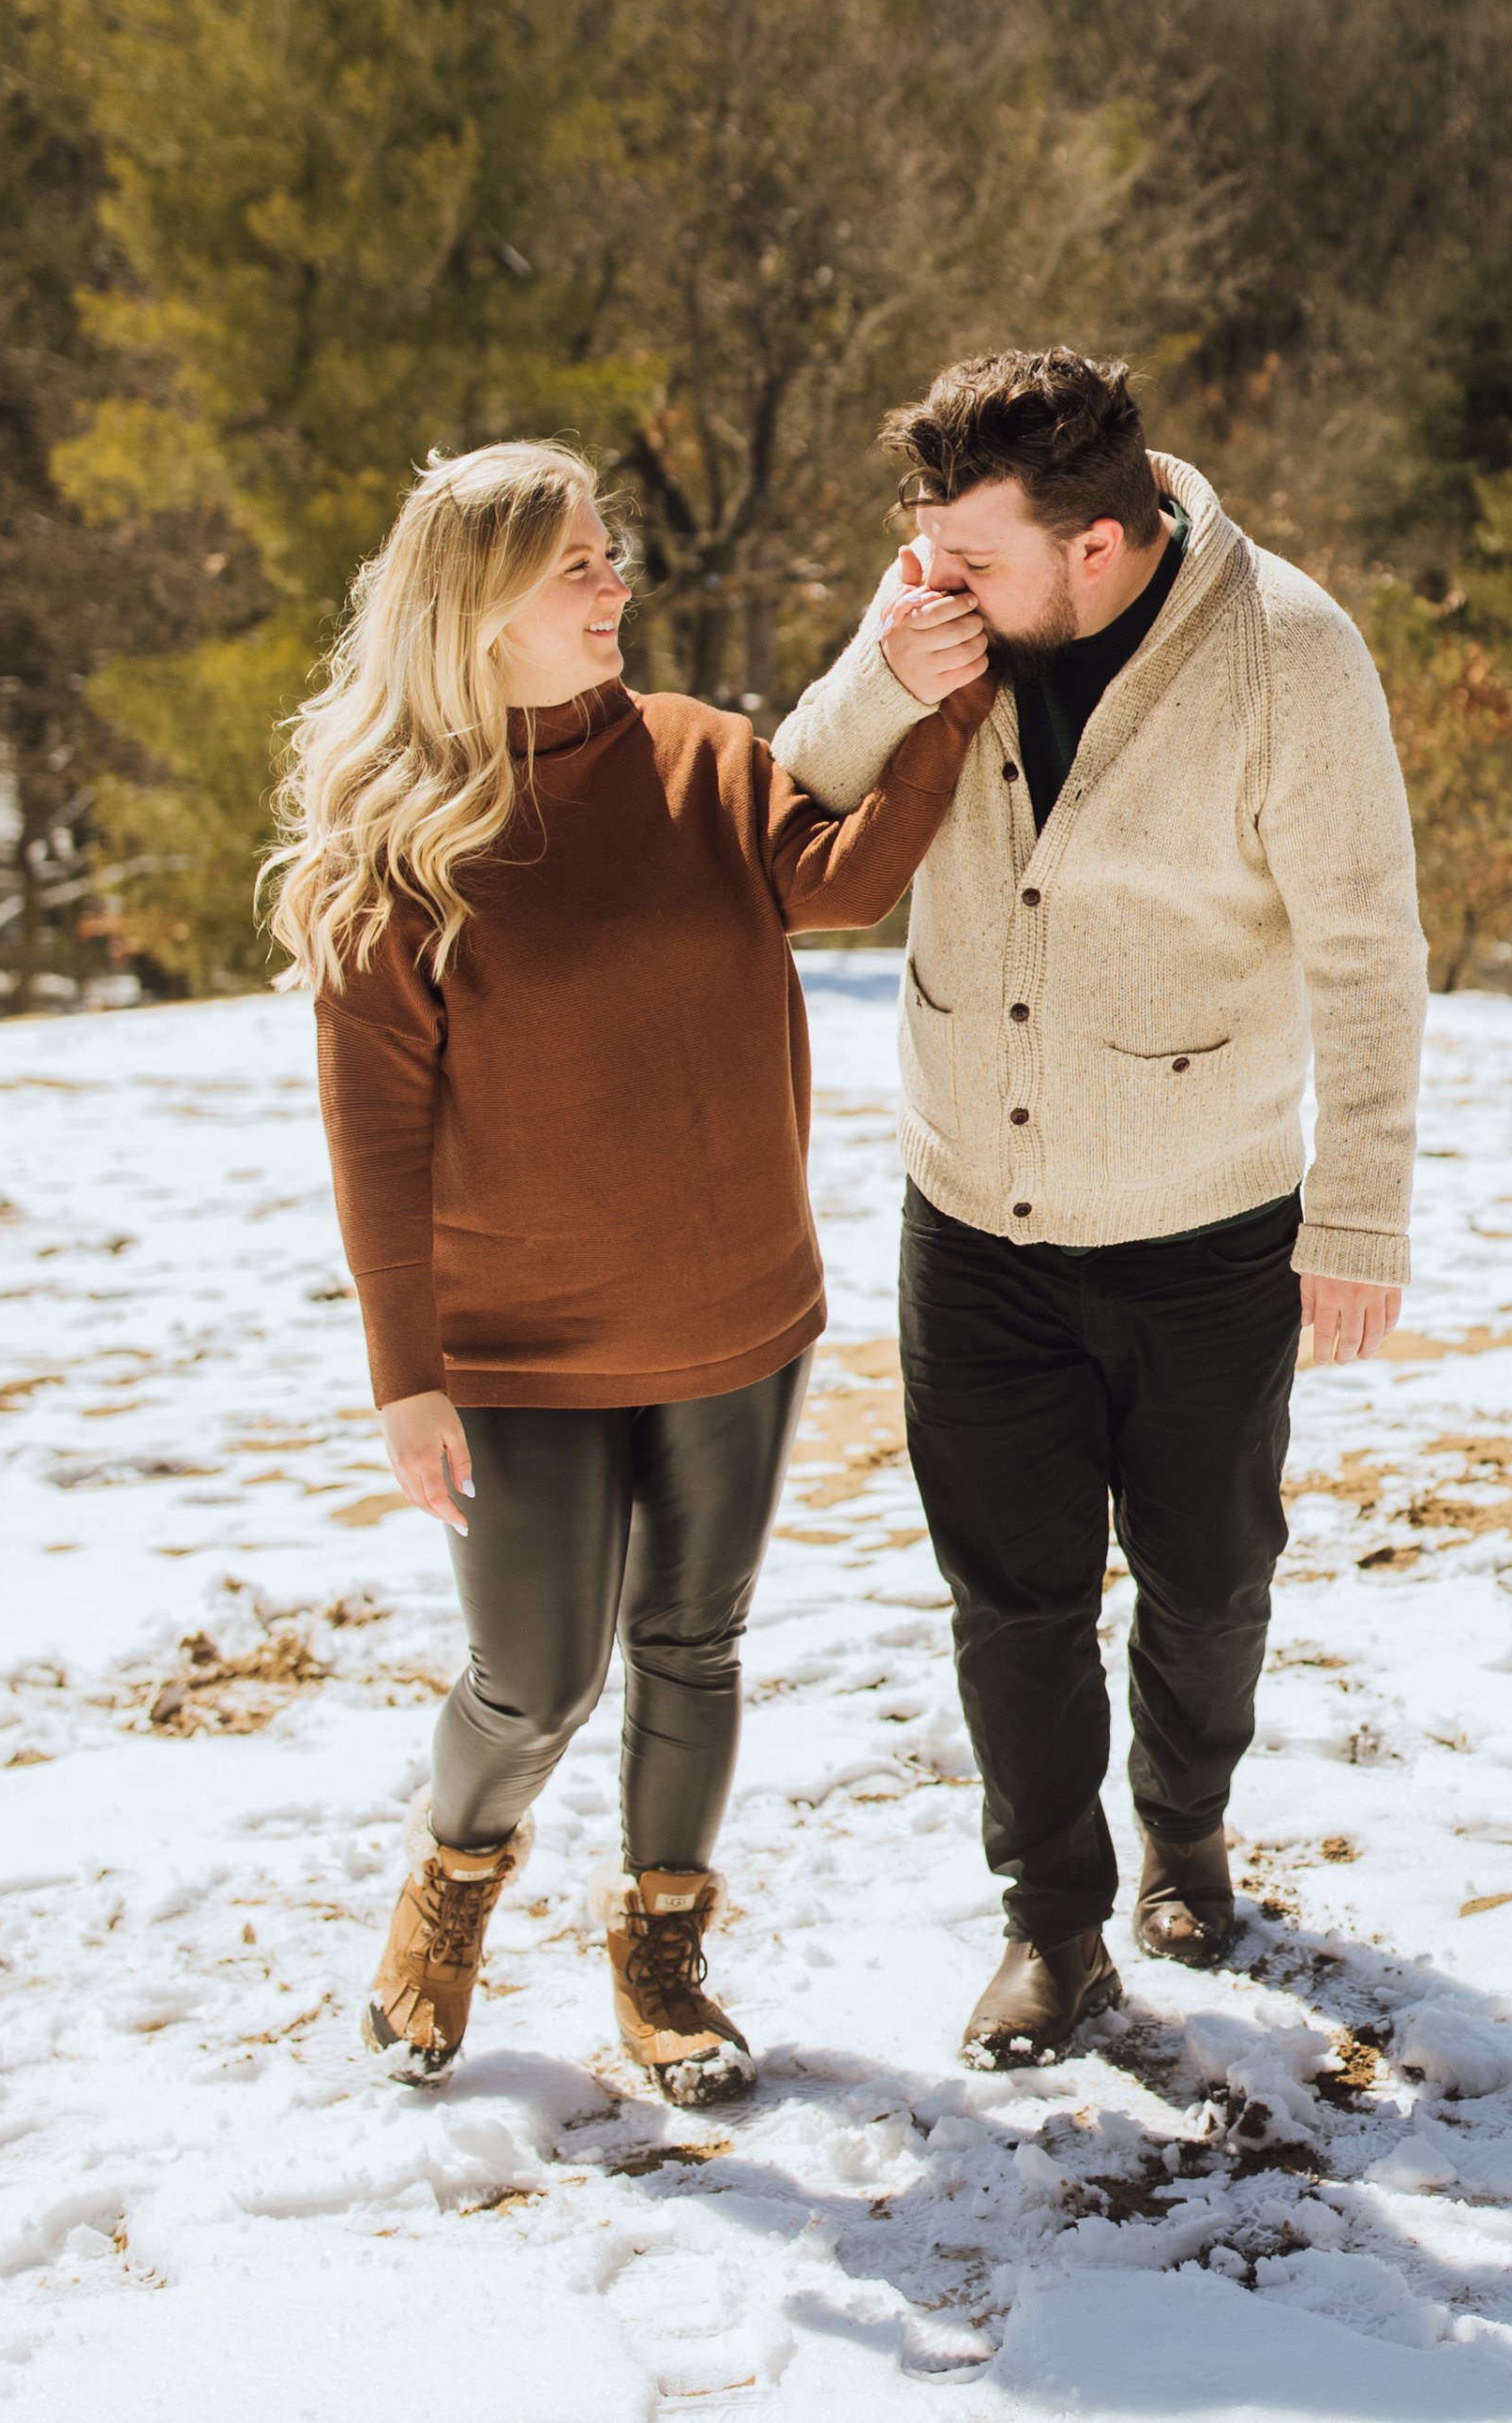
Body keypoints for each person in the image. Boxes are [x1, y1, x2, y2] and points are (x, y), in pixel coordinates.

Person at [268, 440, 988, 2101]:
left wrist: (942, 707)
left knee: (691, 1644)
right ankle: (454, 1879)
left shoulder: (699, 757)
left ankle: (663, 1951)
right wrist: (405, 1376)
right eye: (578, 566)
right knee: (534, 1678)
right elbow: (374, 1142)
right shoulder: (398, 852)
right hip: (514, 1346)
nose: (617, 586)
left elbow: (843, 879)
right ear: (481, 606)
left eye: (611, 554)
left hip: (737, 1306)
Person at [773, 349, 1426, 2068]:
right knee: (1015, 1602)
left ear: (1100, 546)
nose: (940, 583)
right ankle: (1053, 1927)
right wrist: (880, 664)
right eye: (929, 550)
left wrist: (1358, 1215)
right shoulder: (939, 609)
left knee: (1210, 1583)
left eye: (975, 561)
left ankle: (1187, 1830)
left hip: (1204, 1226)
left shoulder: (1291, 653)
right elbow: (795, 794)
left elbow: (1369, 953)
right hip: (970, 1218)